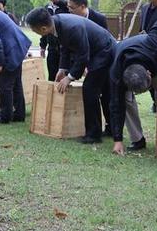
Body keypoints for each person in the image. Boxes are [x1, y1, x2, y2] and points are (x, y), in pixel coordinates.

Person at [26, 8, 116, 144]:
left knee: (90, 89)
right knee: (101, 89)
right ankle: (111, 129)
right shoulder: (55, 24)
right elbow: (65, 48)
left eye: (34, 30)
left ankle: (94, 134)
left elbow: (83, 55)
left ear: (43, 28)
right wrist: (62, 69)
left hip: (104, 50)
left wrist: (70, 77)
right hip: (95, 51)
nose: (35, 33)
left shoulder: (72, 28)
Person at [109, 20, 157, 154]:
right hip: (127, 62)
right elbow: (115, 106)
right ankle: (138, 139)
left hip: (152, 61)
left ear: (148, 74)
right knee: (124, 101)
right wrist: (117, 140)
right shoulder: (116, 75)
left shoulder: (153, 44)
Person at [67, 0, 112, 136]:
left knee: (105, 93)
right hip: (88, 60)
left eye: (72, 8)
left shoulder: (99, 18)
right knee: (91, 91)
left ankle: (109, 127)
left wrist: (90, 65)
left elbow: (104, 44)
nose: (70, 11)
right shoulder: (72, 19)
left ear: (82, 6)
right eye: (68, 8)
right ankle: (95, 130)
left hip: (103, 59)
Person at [39, 0, 69, 81]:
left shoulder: (68, 8)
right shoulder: (46, 9)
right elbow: (43, 28)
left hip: (65, 49)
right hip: (51, 49)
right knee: (52, 76)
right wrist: (43, 46)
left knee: (63, 77)